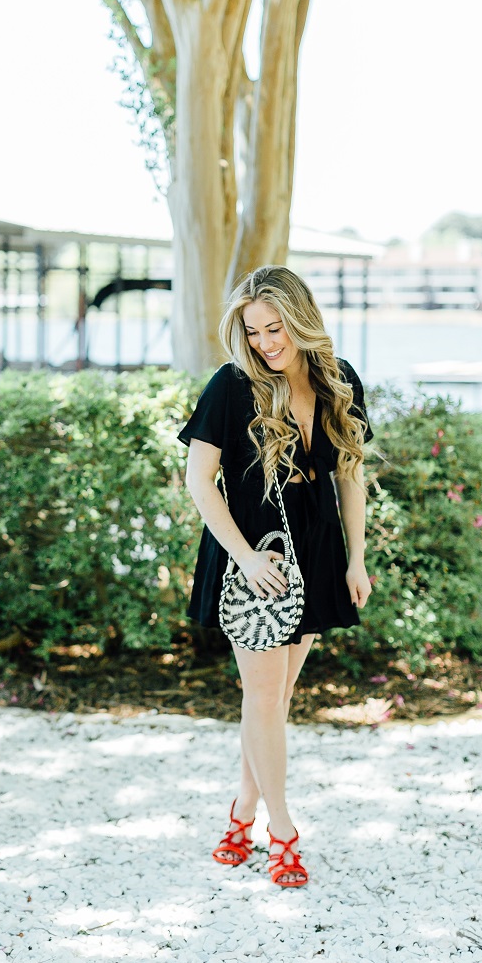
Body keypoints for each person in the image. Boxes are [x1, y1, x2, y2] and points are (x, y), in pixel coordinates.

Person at [177, 265, 374, 888]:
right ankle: (281, 831)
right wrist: (245, 557)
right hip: (253, 560)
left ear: (301, 319)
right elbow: (198, 483)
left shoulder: (341, 383)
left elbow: (350, 477)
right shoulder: (232, 387)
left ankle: (240, 814)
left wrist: (356, 558)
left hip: (315, 557)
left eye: (275, 327)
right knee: (263, 698)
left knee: (273, 702)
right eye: (254, 330)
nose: (265, 342)